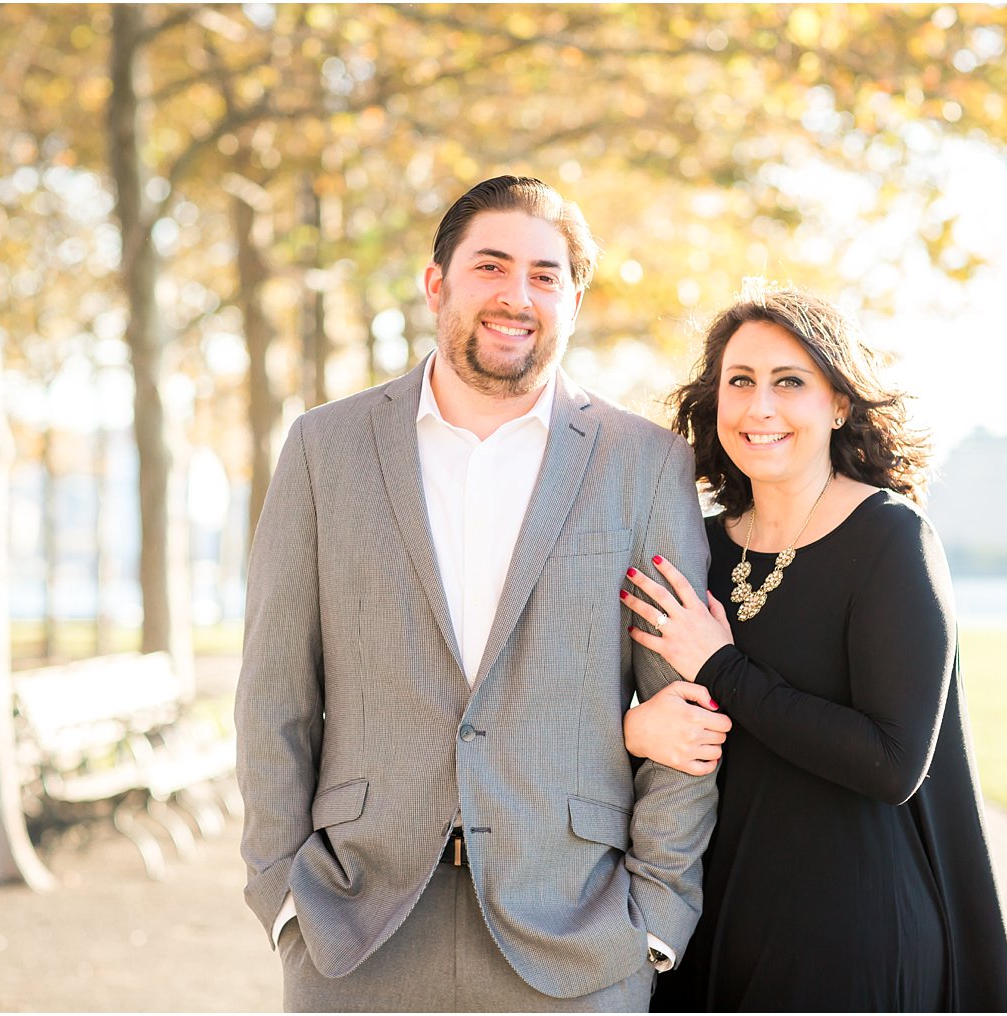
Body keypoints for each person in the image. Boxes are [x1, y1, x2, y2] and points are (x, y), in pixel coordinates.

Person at [235, 176, 718, 1012]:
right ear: (438, 284)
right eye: (491, 266)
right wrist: (282, 897)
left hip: (576, 933)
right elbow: (273, 692)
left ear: (574, 297)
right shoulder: (326, 449)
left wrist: (655, 916)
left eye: (544, 275)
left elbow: (686, 702)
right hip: (356, 929)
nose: (516, 295)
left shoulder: (646, 464)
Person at [618, 285, 1007, 1012]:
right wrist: (630, 729)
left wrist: (721, 667)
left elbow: (892, 761)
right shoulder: (695, 547)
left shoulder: (889, 539)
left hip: (851, 934)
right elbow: (619, 710)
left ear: (837, 404)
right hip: (706, 926)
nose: (759, 407)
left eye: (790, 382)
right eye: (739, 382)